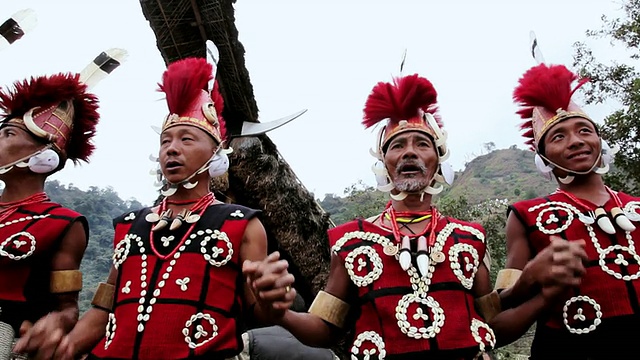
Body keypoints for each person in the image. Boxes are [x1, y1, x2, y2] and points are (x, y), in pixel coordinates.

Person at [39, 56, 298, 360]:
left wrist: (271, 299)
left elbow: (258, 314)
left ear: (216, 154)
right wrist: (66, 347)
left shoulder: (241, 224)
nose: (172, 148)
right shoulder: (129, 225)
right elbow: (104, 308)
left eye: (186, 139)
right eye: (165, 141)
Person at [245, 74, 496, 359]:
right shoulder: (352, 242)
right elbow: (326, 328)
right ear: (384, 164)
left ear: (438, 160)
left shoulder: (469, 238)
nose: (410, 152)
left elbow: (494, 321)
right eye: (398, 146)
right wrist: (281, 314)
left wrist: (536, 289)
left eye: (422, 145)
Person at [488, 63, 640, 359]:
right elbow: (495, 324)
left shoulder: (635, 207)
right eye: (558, 136)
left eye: (585, 130)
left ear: (600, 142)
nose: (576, 141)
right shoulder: (525, 215)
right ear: (542, 159)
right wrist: (533, 280)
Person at [0, 69, 102, 358]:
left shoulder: (64, 224)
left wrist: (54, 322)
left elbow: (68, 309)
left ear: (44, 157)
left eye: (8, 134)